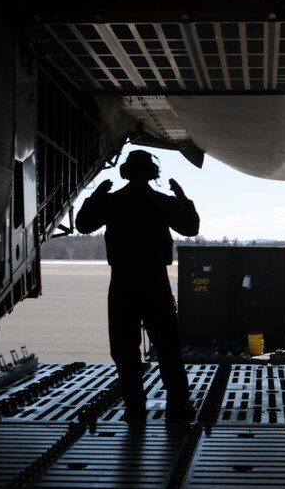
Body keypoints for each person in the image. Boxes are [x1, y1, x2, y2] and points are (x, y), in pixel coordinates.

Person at [75, 150, 200, 424]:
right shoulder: (161, 202)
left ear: (125, 173)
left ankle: (135, 409)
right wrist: (181, 196)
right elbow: (191, 228)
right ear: (152, 174)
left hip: (122, 281)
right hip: (155, 281)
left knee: (124, 348)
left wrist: (96, 196)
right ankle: (178, 407)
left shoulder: (112, 202)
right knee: (167, 346)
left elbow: (83, 225)